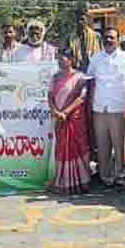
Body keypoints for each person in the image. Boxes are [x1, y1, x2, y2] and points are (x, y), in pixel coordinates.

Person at [86, 27, 125, 187]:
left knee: (119, 144)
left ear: (118, 40)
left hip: (119, 108)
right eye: (106, 37)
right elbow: (90, 82)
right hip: (100, 108)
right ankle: (105, 176)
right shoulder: (95, 59)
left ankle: (120, 174)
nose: (108, 40)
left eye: (112, 37)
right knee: (102, 144)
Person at [48, 49, 92, 195]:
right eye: (58, 59)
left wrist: (66, 112)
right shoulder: (55, 77)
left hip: (74, 118)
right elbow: (50, 96)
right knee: (61, 148)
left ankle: (81, 181)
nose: (60, 61)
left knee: (77, 146)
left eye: (63, 59)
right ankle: (63, 181)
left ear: (71, 59)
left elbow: (82, 98)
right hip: (59, 118)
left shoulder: (80, 77)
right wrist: (55, 111)